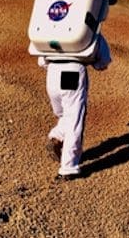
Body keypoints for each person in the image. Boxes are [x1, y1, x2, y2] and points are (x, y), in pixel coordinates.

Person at [38, 34, 112, 181]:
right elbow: (103, 62)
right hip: (72, 71)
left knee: (64, 115)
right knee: (74, 120)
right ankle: (68, 168)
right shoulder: (88, 30)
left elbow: (41, 60)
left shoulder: (53, 26)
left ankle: (57, 136)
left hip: (52, 73)